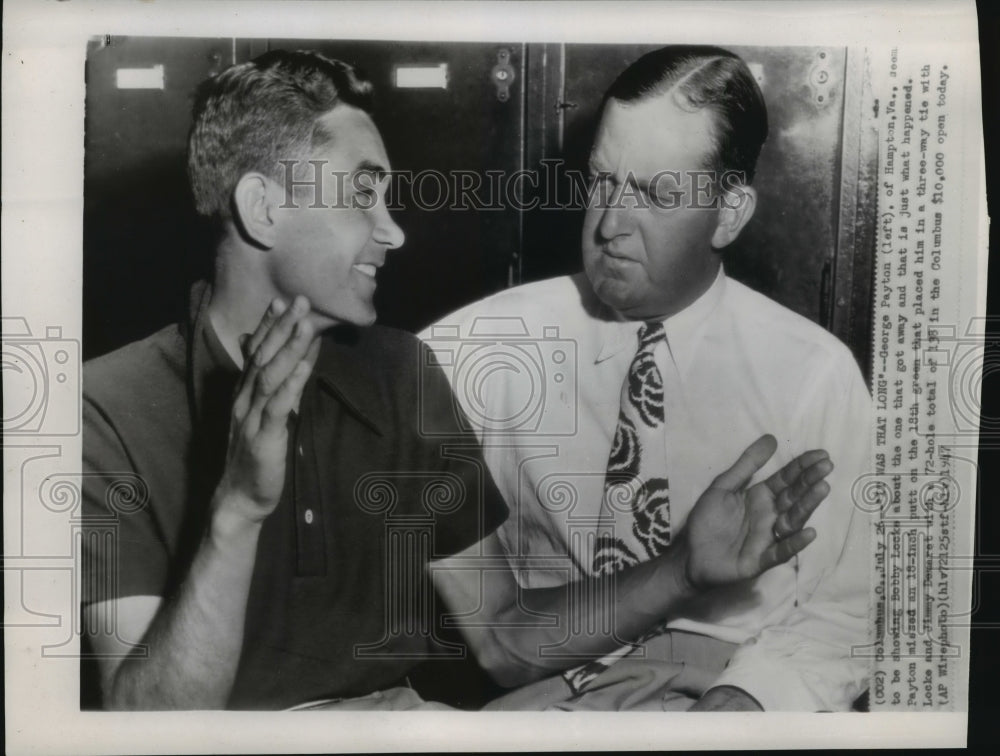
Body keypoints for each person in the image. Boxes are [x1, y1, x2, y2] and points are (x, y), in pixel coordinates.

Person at [81, 49, 836, 711]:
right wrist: (238, 510)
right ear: (262, 209)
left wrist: (680, 572)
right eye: (361, 194)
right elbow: (146, 721)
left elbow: (507, 640)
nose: (396, 229)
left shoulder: (402, 373)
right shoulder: (107, 409)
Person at [422, 45, 873, 711]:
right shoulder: (474, 350)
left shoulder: (814, 375)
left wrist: (747, 697)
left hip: (720, 700)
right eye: (602, 181)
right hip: (544, 702)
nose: (607, 226)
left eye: (656, 195)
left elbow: (852, 610)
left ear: (729, 214)